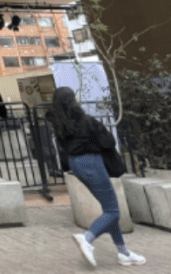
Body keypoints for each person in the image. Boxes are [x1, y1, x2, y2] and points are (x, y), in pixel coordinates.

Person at [49, 87, 145, 267]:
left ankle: (123, 252)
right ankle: (87, 238)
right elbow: (108, 141)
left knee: (109, 210)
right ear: (73, 100)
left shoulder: (59, 125)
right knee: (113, 211)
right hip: (92, 164)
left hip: (76, 166)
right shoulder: (87, 121)